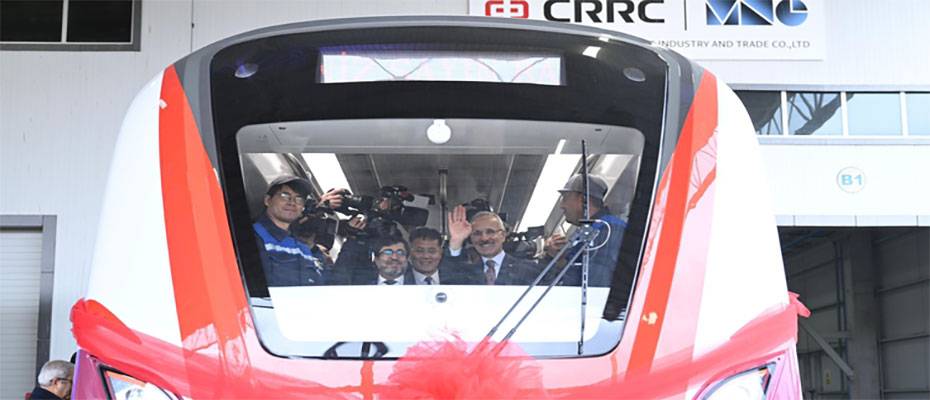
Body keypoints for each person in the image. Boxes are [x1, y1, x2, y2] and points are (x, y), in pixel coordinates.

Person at [253, 175, 343, 286]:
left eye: (299, 199)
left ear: (302, 207)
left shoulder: (304, 247)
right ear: (267, 200)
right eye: (285, 195)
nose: (292, 202)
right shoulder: (254, 238)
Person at [543, 174, 627, 287]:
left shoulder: (609, 230)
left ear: (583, 199)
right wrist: (556, 256)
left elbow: (595, 284)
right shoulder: (589, 230)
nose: (562, 205)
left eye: (565, 198)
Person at [446, 207, 541, 285]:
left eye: (490, 232)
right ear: (470, 238)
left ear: (503, 235)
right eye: (477, 233)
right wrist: (456, 240)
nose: (484, 238)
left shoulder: (528, 269)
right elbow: (447, 277)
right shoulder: (464, 271)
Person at [406, 227, 483, 285]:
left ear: (440, 252)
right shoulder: (400, 281)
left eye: (432, 251)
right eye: (419, 251)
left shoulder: (459, 279)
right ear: (410, 252)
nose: (426, 256)